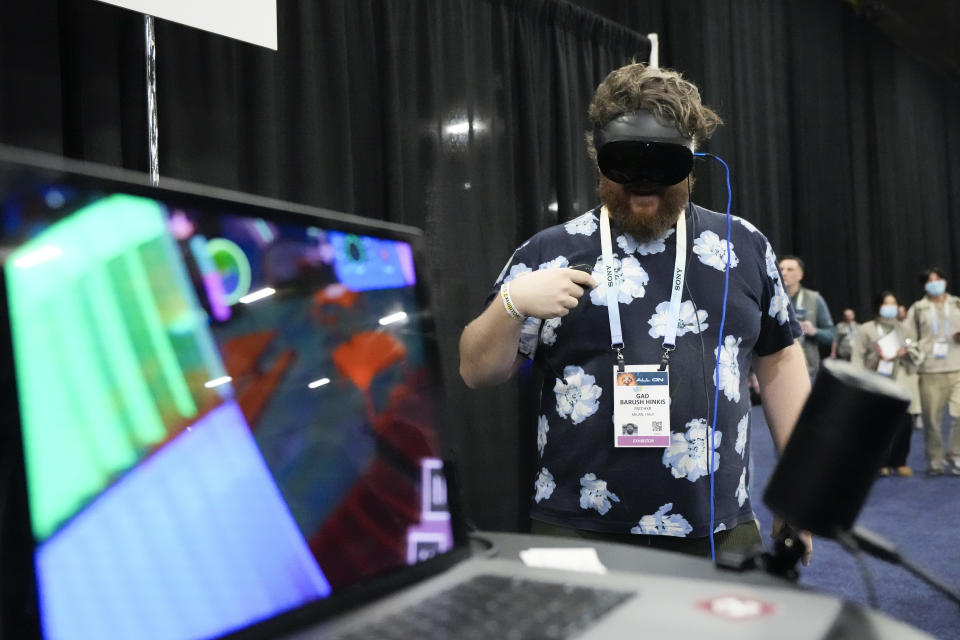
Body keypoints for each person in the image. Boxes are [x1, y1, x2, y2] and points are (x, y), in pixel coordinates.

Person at [459, 62, 812, 564]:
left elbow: (780, 361)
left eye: (662, 165)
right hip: (577, 525)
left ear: (692, 160)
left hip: (717, 523)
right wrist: (512, 302)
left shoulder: (741, 247)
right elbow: (475, 371)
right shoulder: (551, 251)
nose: (643, 185)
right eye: (626, 164)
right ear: (598, 159)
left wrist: (798, 491)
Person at [850, 292, 922, 476]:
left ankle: (899, 461)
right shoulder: (866, 329)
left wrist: (905, 352)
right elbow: (857, 357)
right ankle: (879, 462)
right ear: (878, 307)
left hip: (902, 381)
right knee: (877, 425)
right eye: (886, 303)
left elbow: (917, 353)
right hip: (876, 381)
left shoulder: (905, 328)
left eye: (894, 303)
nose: (890, 307)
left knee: (905, 423)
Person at [904, 267, 960, 476]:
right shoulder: (918, 309)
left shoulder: (957, 304)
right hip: (930, 370)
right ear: (925, 285)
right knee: (932, 420)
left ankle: (955, 452)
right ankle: (935, 461)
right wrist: (913, 351)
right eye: (930, 281)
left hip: (957, 367)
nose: (934, 284)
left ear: (945, 281)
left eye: (938, 280)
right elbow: (908, 337)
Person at [778, 256, 835, 378]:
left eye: (790, 269)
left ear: (800, 275)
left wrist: (814, 331)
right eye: (781, 269)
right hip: (777, 370)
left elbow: (831, 335)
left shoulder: (814, 299)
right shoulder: (771, 299)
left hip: (807, 370)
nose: (784, 273)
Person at [898, 304, 923, 428]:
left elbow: (918, 344)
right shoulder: (891, 327)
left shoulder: (911, 326)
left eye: (903, 311)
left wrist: (910, 350)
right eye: (899, 312)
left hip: (911, 365)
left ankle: (917, 416)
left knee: (915, 393)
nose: (900, 314)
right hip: (897, 365)